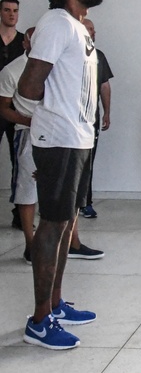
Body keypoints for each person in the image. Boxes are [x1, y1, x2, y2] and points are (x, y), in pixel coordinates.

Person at [18, 0, 103, 350]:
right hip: (60, 138)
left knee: (67, 223)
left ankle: (55, 305)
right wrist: (45, 121)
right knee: (52, 226)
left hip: (78, 137)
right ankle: (39, 322)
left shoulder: (77, 28)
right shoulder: (55, 23)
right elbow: (30, 83)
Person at [0, 26, 103, 264]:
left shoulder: (60, 66)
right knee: (27, 189)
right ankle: (30, 245)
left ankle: (72, 242)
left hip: (60, 134)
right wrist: (30, 120)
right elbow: (4, 107)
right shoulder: (11, 70)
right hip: (28, 134)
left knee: (68, 189)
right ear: (25, 43)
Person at [79, 18, 112, 219]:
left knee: (87, 162)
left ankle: (85, 202)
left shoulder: (99, 56)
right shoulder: (71, 53)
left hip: (92, 120)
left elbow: (105, 85)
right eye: (89, 29)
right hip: (72, 120)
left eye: (93, 30)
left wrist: (107, 111)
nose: (93, 32)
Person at [0, 0, 26, 229]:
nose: (11, 14)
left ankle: (20, 214)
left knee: (18, 158)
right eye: (7, 10)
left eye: (15, 11)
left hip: (15, 108)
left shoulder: (22, 43)